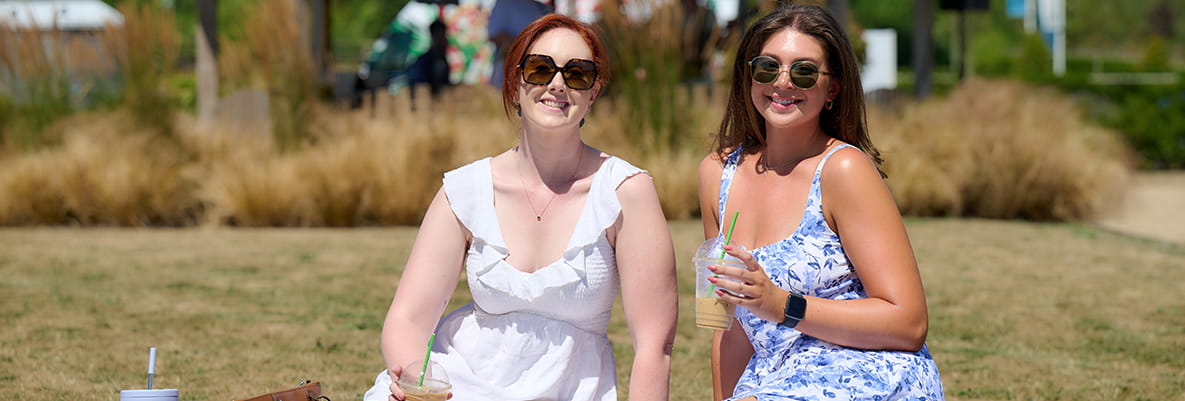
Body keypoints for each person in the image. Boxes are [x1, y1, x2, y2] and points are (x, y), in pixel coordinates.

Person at [363, 14, 678, 401]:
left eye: (577, 74)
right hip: (459, 387)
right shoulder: (466, 190)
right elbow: (408, 318)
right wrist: (416, 382)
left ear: (593, 93)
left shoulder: (625, 191)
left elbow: (654, 345)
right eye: (540, 68)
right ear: (514, 84)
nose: (557, 84)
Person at [697, 5, 944, 400]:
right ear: (749, 76)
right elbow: (728, 322)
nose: (782, 82)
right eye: (767, 67)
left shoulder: (843, 170)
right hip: (772, 379)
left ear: (832, 89)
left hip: (862, 369)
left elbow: (908, 323)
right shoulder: (717, 173)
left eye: (804, 72)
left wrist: (781, 304)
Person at [486, 0, 553, 88]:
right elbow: (494, 34)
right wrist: (525, 45)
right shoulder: (506, 3)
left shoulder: (546, 8)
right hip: (507, 78)